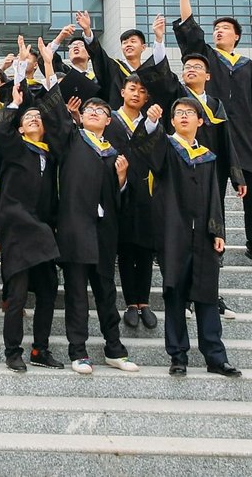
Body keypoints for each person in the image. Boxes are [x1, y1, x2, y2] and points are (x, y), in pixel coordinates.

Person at [175, 0, 252, 269]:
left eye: (225, 29)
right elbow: (190, 31)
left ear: (236, 35)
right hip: (215, 135)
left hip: (245, 138)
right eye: (217, 29)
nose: (219, 32)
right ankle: (216, 246)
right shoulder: (207, 58)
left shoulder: (247, 65)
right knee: (216, 195)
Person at [131, 96, 243, 378]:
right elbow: (142, 148)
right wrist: (151, 122)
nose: (183, 117)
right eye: (178, 113)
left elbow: (214, 197)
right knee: (175, 295)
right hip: (173, 235)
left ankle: (216, 357)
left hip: (203, 237)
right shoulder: (166, 148)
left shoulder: (207, 156)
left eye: (189, 113)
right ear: (172, 121)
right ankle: (178, 356)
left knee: (206, 296)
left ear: (200, 120)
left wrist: (217, 231)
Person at [0, 40, 66, 372]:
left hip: (44, 228)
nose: (34, 119)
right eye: (28, 117)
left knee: (48, 292)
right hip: (19, 229)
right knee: (17, 297)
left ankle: (41, 349)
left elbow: (63, 124)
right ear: (19, 126)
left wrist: (47, 68)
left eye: (38, 117)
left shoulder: (51, 151)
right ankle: (12, 352)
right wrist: (14, 105)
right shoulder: (14, 147)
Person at [49, 93, 139, 375]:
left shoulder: (113, 152)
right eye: (89, 109)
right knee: (76, 294)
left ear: (109, 120)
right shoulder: (72, 140)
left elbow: (118, 200)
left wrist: (122, 180)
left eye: (100, 110)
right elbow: (59, 121)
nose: (94, 112)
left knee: (106, 292)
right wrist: (50, 70)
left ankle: (114, 348)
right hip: (75, 230)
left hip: (103, 233)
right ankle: (79, 351)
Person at [103, 73, 161, 328]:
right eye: (132, 89)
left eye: (141, 91)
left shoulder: (153, 123)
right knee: (126, 248)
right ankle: (130, 302)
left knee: (146, 249)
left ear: (147, 98)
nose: (136, 94)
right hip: (120, 190)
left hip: (146, 191)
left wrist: (152, 125)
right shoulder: (111, 121)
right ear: (123, 92)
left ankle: (144, 302)